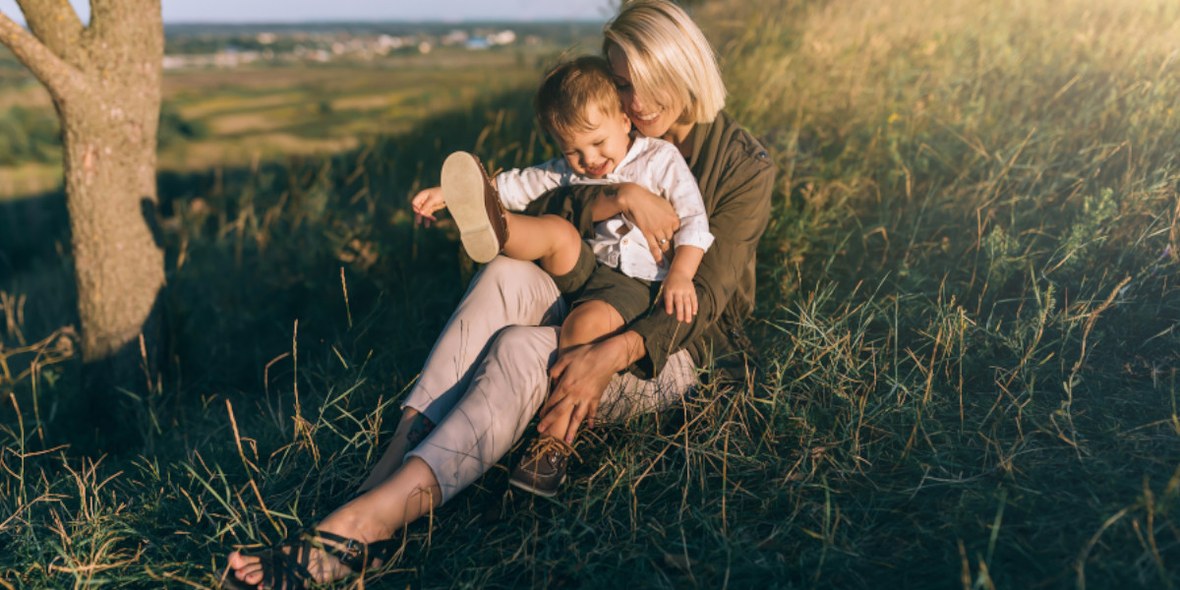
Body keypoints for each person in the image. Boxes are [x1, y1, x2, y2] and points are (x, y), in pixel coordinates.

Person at [224, 1, 774, 587]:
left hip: (666, 349)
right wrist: (619, 196)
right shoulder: (612, 132)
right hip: (596, 288)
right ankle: (393, 461)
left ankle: (366, 527)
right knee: (502, 276)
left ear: (676, 68)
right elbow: (552, 197)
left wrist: (605, 357)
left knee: (517, 349)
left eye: (632, 85)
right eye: (616, 84)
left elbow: (707, 299)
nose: (627, 103)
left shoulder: (743, 165)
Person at [410, 55, 714, 494]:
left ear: (625, 120)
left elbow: (694, 222)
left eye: (597, 143)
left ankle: (553, 442)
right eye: (573, 150)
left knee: (583, 324)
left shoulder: (659, 160)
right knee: (554, 231)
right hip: (584, 267)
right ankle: (493, 224)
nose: (589, 160)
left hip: (633, 283)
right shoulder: (566, 169)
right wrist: (451, 195)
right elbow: (517, 183)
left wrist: (681, 275)